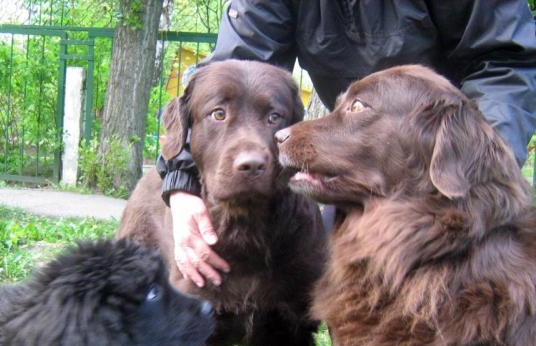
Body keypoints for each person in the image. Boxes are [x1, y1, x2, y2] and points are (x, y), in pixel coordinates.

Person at [157, 0, 536, 288]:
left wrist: (473, 167)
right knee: (354, 300)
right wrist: (183, 183)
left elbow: (505, 60)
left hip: (443, 160)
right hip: (348, 156)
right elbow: (231, 75)